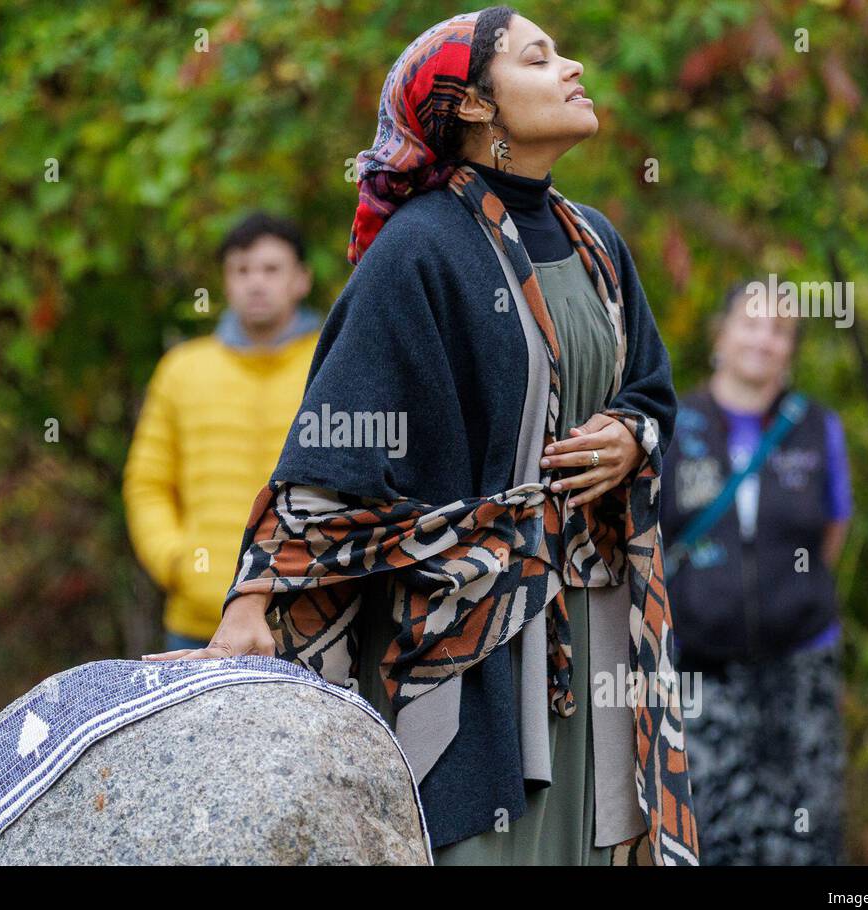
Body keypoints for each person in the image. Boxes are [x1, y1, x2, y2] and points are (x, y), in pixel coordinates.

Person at [144, 7, 700, 866]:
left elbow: (653, 392)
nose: (574, 67)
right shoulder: (420, 252)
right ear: (476, 106)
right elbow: (331, 454)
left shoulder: (598, 244)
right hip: (467, 640)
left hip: (595, 631)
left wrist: (632, 435)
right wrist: (254, 597)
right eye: (540, 58)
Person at [660, 277, 853, 865]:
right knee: (708, 835)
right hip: (701, 675)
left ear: (791, 348)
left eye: (780, 330)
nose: (764, 339)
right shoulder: (675, 426)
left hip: (799, 674)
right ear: (721, 333)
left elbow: (831, 536)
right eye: (752, 322)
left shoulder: (817, 428)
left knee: (804, 836)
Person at [123, 212, 321, 652]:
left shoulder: (330, 365)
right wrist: (176, 563)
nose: (256, 283)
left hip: (308, 615)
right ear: (226, 281)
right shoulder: (182, 370)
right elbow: (148, 483)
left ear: (301, 279)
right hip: (199, 617)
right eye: (242, 270)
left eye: (271, 269)